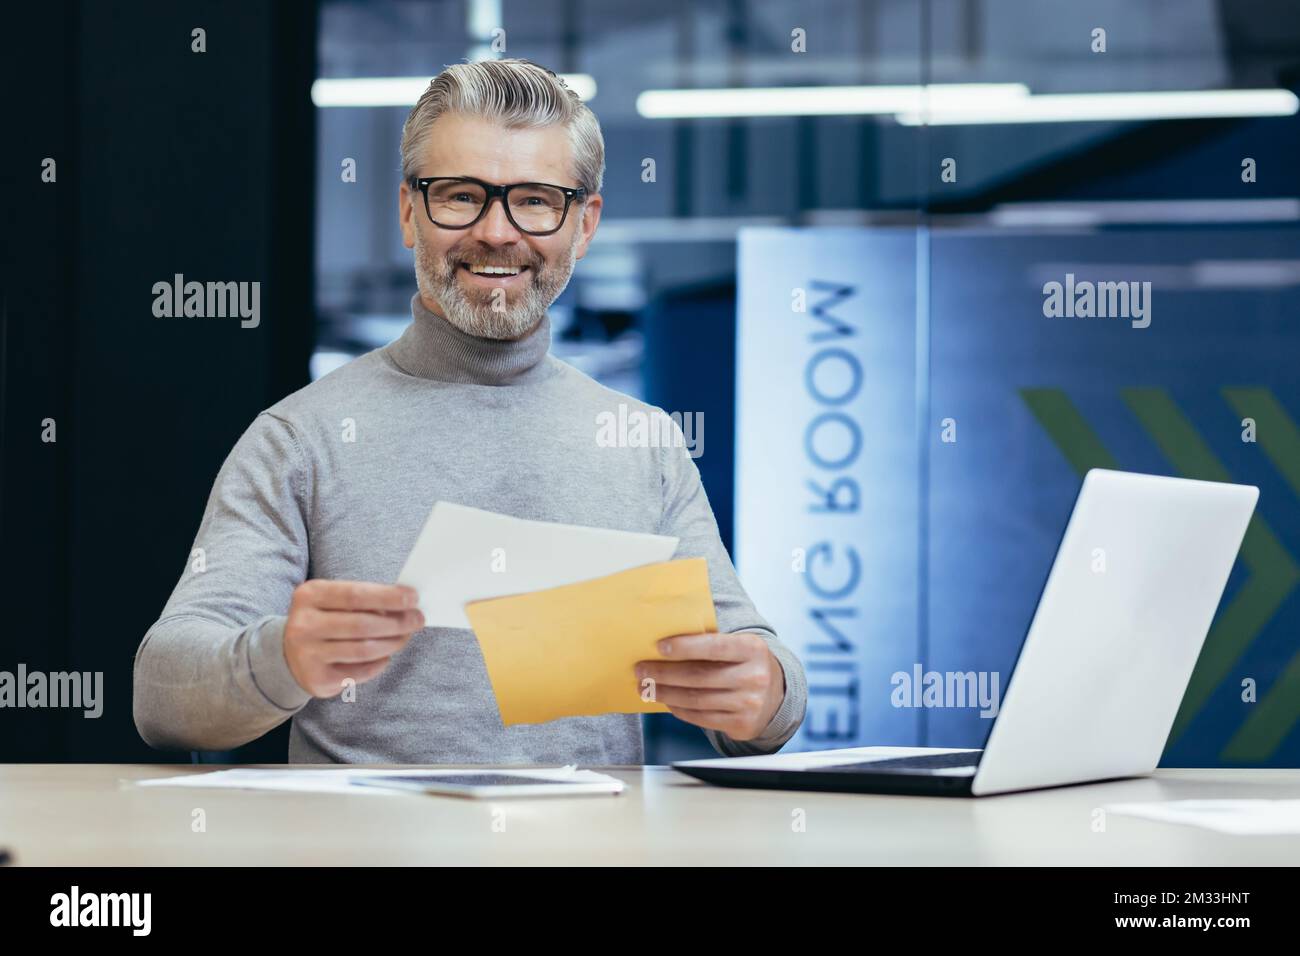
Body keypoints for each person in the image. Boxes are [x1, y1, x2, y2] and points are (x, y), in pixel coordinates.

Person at [132, 58, 807, 763]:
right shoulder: (299, 439)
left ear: (584, 225)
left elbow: (759, 675)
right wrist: (283, 658)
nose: (496, 232)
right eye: (460, 196)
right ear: (406, 212)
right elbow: (162, 697)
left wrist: (761, 694)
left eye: (537, 200)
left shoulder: (642, 442)